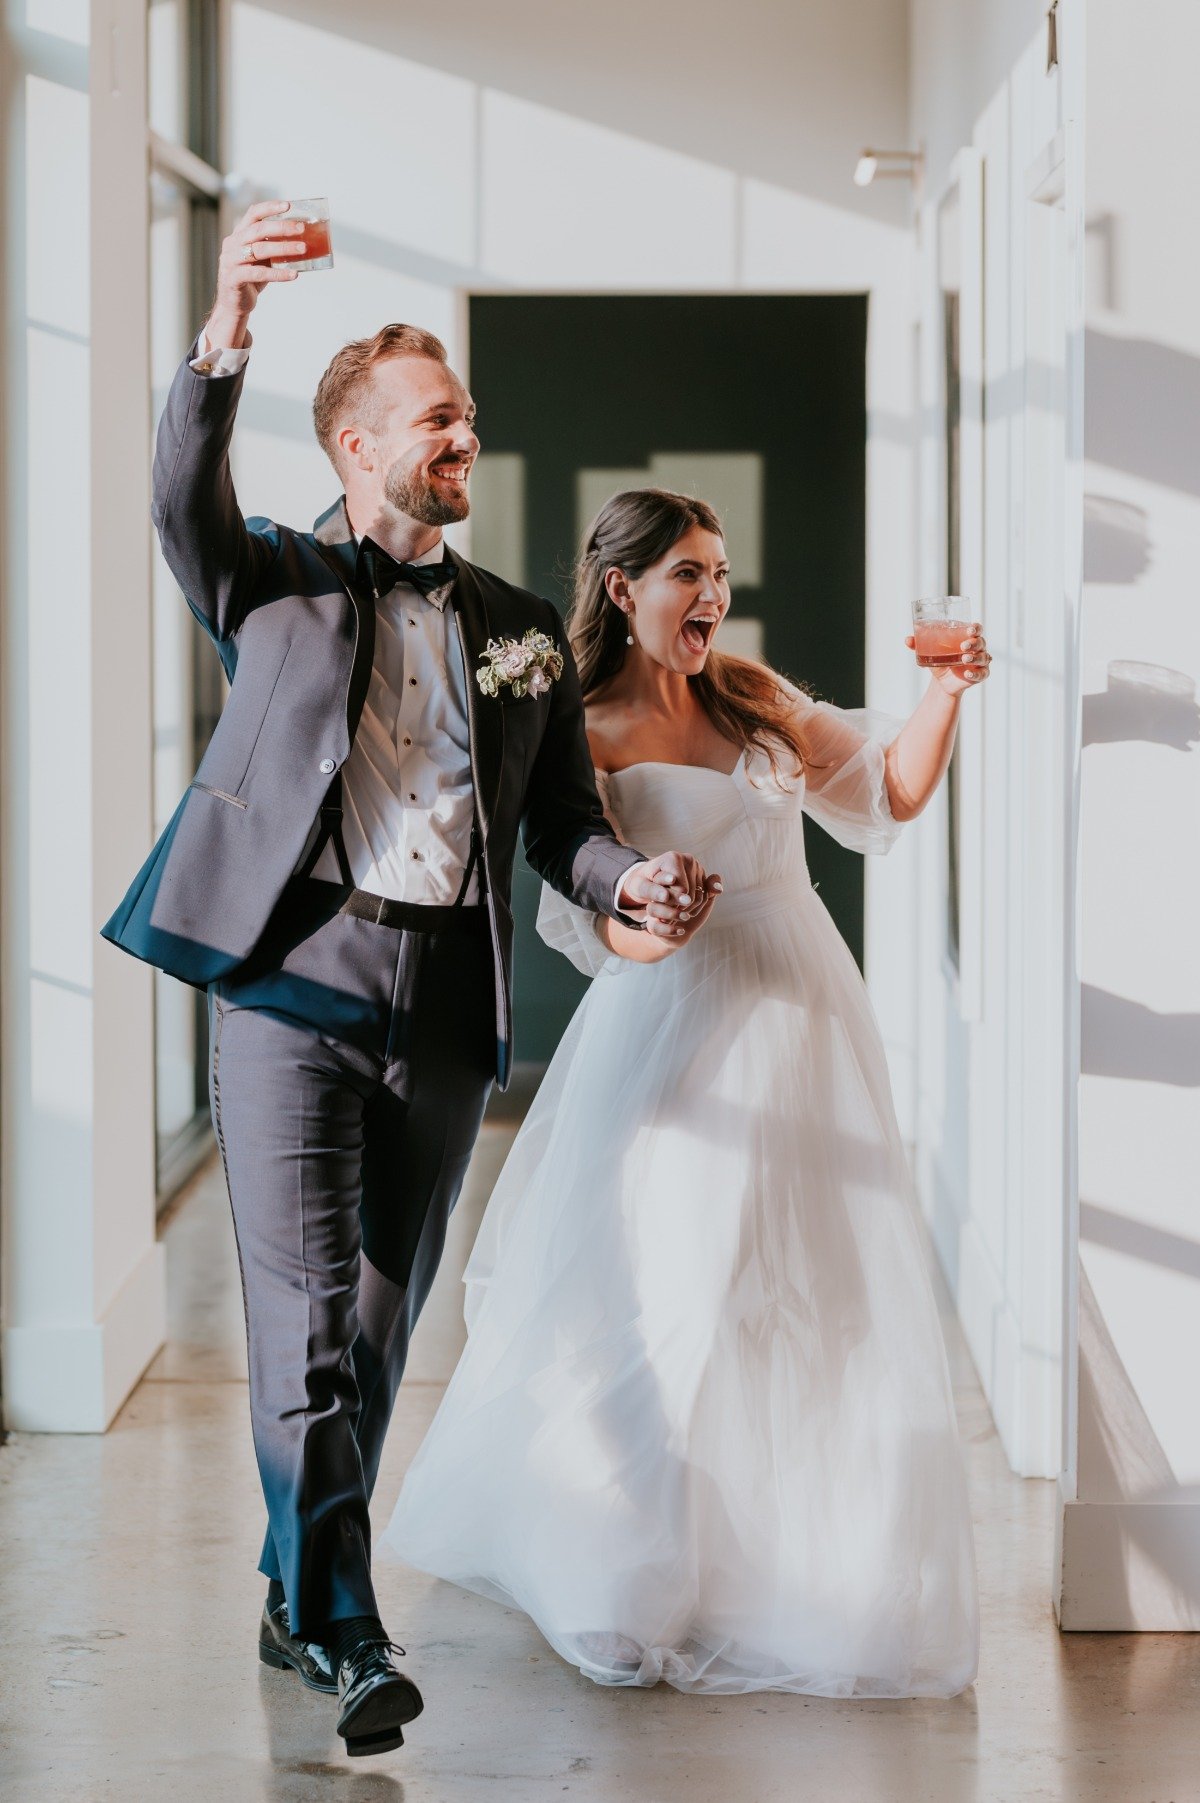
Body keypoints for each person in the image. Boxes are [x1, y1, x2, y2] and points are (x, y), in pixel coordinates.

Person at [101, 205, 709, 1758]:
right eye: (441, 417)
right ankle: (351, 1629)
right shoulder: (272, 580)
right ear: (360, 445)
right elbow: (181, 498)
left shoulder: (513, 630)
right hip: (288, 990)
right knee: (304, 1323)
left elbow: (564, 829)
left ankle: (290, 1579)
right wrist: (226, 319)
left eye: (468, 416)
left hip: (443, 1006)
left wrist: (623, 879)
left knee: (377, 1327)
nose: (469, 434)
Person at [385, 487, 987, 1699]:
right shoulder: (584, 727)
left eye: (719, 573)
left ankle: (794, 1569)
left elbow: (888, 795)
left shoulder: (751, 692)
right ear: (624, 589)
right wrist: (659, 918)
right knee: (666, 1295)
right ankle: (628, 1576)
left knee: (807, 1293)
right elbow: (594, 928)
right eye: (688, 576)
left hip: (804, 1009)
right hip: (668, 1029)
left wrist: (950, 691)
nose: (713, 595)